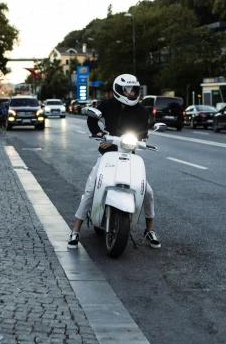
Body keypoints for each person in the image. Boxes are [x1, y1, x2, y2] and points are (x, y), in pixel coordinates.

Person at [67, 73, 161, 250]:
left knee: (147, 191)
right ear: (119, 89)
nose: (130, 93)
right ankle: (75, 230)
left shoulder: (141, 110)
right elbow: (93, 117)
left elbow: (143, 132)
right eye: (127, 90)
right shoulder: (108, 104)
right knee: (92, 186)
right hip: (108, 153)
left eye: (133, 90)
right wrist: (98, 134)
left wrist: (143, 138)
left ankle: (149, 230)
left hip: (129, 154)